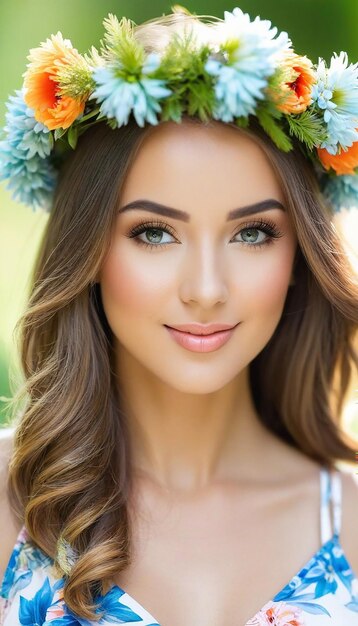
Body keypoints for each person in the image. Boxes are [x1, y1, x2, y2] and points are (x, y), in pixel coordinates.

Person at [0, 6, 358, 626]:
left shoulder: (349, 521)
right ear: (89, 250)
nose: (205, 289)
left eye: (251, 233)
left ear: (300, 251)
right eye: (155, 233)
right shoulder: (11, 505)